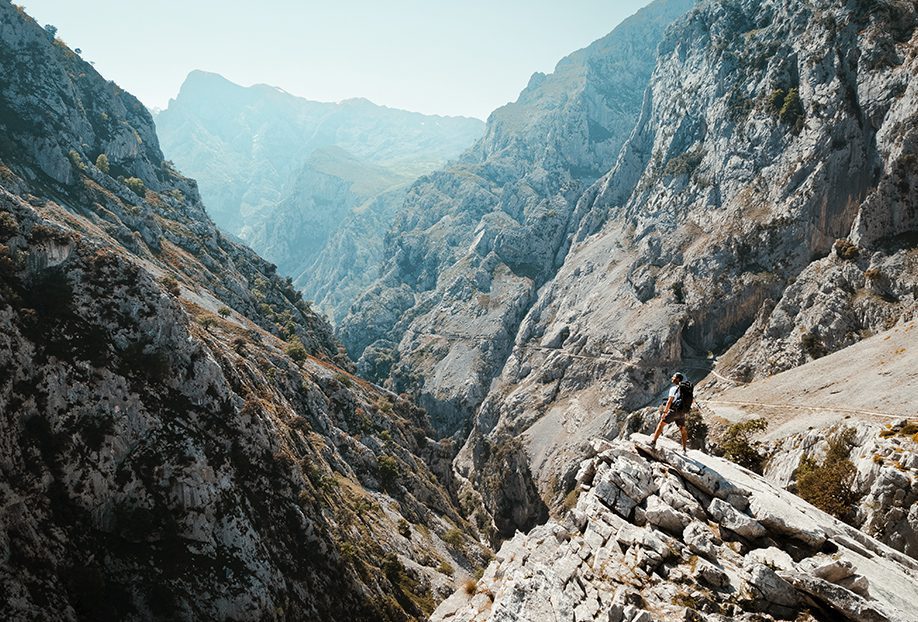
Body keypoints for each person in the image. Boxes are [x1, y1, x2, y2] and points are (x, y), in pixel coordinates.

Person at [650, 372, 689, 451]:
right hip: (682, 412)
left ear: (677, 379)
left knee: (661, 424)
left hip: (674, 411)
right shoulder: (685, 389)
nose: (672, 378)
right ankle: (684, 448)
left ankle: (653, 442)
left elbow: (669, 401)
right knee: (682, 429)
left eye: (673, 377)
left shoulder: (673, 389)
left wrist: (664, 413)